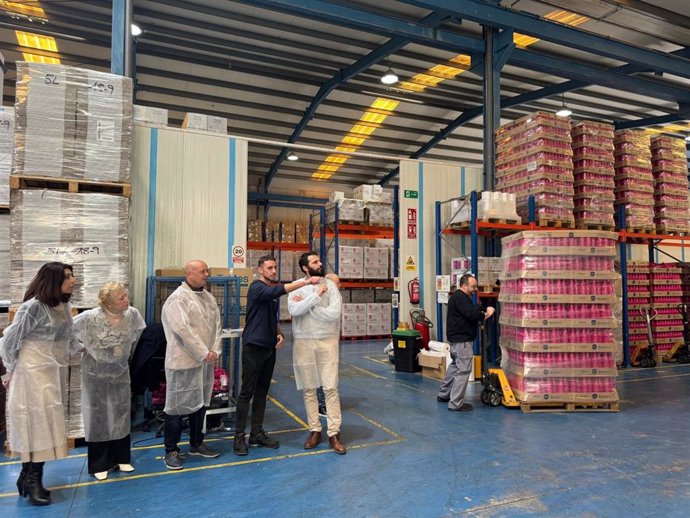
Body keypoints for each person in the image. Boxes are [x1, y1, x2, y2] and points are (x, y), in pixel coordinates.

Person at [0, 262, 77, 506]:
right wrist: (10, 371)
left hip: (50, 371)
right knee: (33, 424)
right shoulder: (32, 307)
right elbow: (9, 340)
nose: (73, 280)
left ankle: (28, 476)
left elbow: (69, 338)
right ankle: (32, 479)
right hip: (30, 371)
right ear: (53, 280)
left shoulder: (63, 306)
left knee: (45, 424)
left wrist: (89, 350)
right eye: (67, 277)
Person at [233, 255, 321, 456]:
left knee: (262, 392)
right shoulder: (257, 287)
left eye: (275, 268)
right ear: (260, 269)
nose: (274, 271)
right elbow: (277, 290)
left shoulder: (270, 294)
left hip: (269, 348)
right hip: (253, 346)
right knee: (247, 391)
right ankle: (239, 436)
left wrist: (278, 332)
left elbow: (270, 317)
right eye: (270, 268)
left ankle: (256, 433)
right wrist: (306, 282)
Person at [72, 282, 146, 481]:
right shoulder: (89, 318)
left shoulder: (132, 315)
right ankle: (99, 463)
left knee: (121, 413)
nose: (126, 300)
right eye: (121, 298)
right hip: (95, 375)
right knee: (98, 417)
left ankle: (122, 457)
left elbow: (138, 335)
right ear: (108, 303)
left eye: (126, 296)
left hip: (120, 373)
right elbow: (66, 333)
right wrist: (82, 348)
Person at [160, 260, 223, 470]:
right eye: (203, 271)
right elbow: (182, 330)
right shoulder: (177, 299)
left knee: (201, 404)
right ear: (189, 273)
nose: (207, 274)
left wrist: (214, 350)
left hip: (206, 361)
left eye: (207, 270)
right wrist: (204, 352)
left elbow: (216, 326)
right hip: (184, 362)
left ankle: (197, 443)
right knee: (176, 408)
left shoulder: (208, 297)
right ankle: (171, 450)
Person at [288, 253, 347, 454]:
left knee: (330, 387)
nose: (320, 264)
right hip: (304, 342)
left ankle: (334, 432)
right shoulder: (297, 285)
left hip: (327, 342)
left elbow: (334, 313)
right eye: (315, 262)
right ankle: (315, 429)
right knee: (309, 388)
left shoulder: (330, 286)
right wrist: (315, 297)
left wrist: (311, 308)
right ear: (305, 267)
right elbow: (294, 310)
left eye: (319, 261)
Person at [438, 273, 495, 412]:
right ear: (464, 285)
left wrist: (480, 308)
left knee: (455, 366)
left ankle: (444, 394)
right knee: (463, 370)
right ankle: (455, 403)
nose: (475, 288)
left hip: (455, 340)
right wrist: (487, 313)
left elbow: (471, 310)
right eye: (473, 286)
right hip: (462, 341)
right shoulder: (461, 298)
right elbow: (472, 315)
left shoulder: (459, 297)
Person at [317, 273, 342, 416]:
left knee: (329, 375)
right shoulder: (323, 299)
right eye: (337, 283)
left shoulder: (335, 298)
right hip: (322, 340)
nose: (339, 285)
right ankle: (321, 404)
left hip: (331, 341)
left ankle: (327, 401)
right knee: (322, 375)